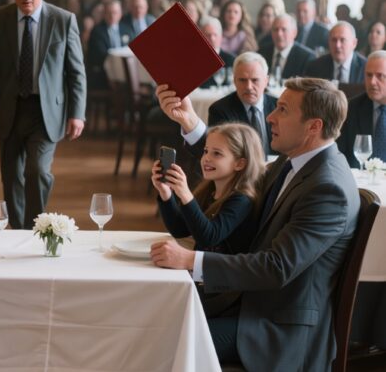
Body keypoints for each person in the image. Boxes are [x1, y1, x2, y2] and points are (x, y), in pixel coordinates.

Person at [152, 77, 358, 370]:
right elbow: (238, 165)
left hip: (276, 327)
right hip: (249, 305)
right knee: (155, 319)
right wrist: (190, 123)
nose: (270, 116)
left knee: (168, 340)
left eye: (283, 110)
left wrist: (190, 259)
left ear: (314, 126)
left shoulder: (328, 187)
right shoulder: (292, 164)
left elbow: (276, 267)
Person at [0, 0, 87, 229]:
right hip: (8, 108)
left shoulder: (63, 20)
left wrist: (77, 113)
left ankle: (35, 227)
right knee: (11, 176)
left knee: (37, 171)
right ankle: (18, 231)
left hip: (46, 111)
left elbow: (76, 72)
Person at [153, 123, 263, 254]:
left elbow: (209, 238)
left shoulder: (242, 200)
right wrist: (166, 194)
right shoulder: (209, 191)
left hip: (219, 272)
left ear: (239, 164)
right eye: (206, 151)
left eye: (217, 153)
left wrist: (186, 195)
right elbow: (180, 229)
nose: (206, 158)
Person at [194, 53, 276, 157]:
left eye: (254, 80)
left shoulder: (278, 106)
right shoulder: (220, 110)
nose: (249, 87)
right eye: (242, 80)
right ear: (234, 81)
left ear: (266, 81)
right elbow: (223, 153)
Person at [337, 50, 386, 167]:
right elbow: (340, 154)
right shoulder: (351, 108)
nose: (372, 82)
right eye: (369, 75)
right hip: (360, 181)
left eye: (380, 76)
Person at [86, 0, 130, 92]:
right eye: (109, 13)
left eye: (115, 12)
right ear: (104, 14)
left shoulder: (127, 30)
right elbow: (99, 56)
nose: (112, 16)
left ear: (120, 14)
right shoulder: (97, 31)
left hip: (125, 71)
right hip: (104, 73)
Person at [257, 14, 315, 80]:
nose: (279, 34)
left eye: (284, 30)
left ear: (294, 33)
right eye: (275, 29)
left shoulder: (306, 57)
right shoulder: (262, 52)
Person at [198, 17, 236, 88]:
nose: (212, 38)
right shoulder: (194, 59)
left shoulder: (231, 60)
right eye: (208, 35)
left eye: (215, 35)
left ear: (221, 37)